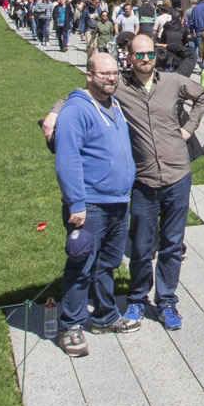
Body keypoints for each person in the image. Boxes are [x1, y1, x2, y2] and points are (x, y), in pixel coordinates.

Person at [112, 33, 204, 330]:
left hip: (177, 174)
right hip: (143, 178)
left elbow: (203, 96)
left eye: (149, 54)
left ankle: (167, 301)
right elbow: (81, 95)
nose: (145, 60)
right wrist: (54, 114)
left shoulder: (173, 82)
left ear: (157, 55)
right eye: (138, 55)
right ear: (129, 57)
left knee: (172, 243)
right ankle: (138, 298)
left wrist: (189, 129)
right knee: (140, 244)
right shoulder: (119, 86)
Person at [47, 53, 139, 356]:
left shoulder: (114, 104)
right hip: (91, 204)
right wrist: (76, 204)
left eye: (115, 73)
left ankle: (104, 316)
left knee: (108, 264)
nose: (111, 78)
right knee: (81, 264)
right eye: (104, 74)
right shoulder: (76, 110)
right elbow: (67, 160)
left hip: (117, 202)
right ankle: (71, 325)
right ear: (88, 76)